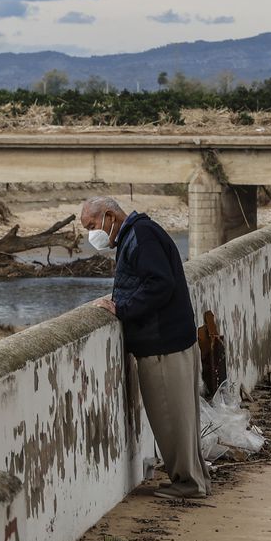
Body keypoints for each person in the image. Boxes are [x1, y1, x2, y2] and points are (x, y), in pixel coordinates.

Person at [80, 196, 210, 500]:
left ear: (109, 216)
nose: (91, 234)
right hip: (173, 340)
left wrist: (121, 308)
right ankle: (195, 479)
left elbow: (159, 284)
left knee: (171, 419)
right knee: (182, 419)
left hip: (163, 344)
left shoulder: (141, 236)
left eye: (90, 226)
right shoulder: (139, 234)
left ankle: (189, 483)